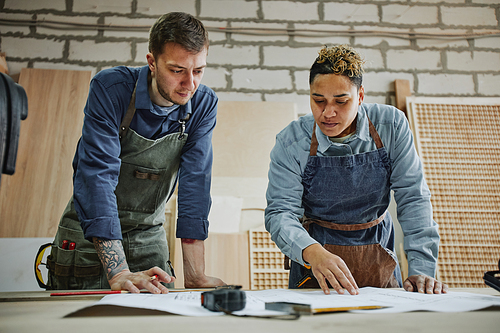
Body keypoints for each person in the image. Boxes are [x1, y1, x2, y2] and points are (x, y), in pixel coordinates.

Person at [47, 12, 225, 293]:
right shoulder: (112, 89)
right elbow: (96, 176)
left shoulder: (203, 104)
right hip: (89, 237)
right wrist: (118, 271)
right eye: (177, 70)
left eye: (198, 71)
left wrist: (195, 275)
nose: (190, 83)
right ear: (152, 62)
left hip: (149, 237)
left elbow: (195, 187)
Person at [265, 45, 448, 295]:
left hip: (378, 256)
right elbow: (280, 212)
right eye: (318, 101)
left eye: (341, 101)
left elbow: (413, 196)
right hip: (315, 263)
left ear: (360, 96)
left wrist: (422, 266)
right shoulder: (292, 141)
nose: (328, 113)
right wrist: (312, 252)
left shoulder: (391, 126)